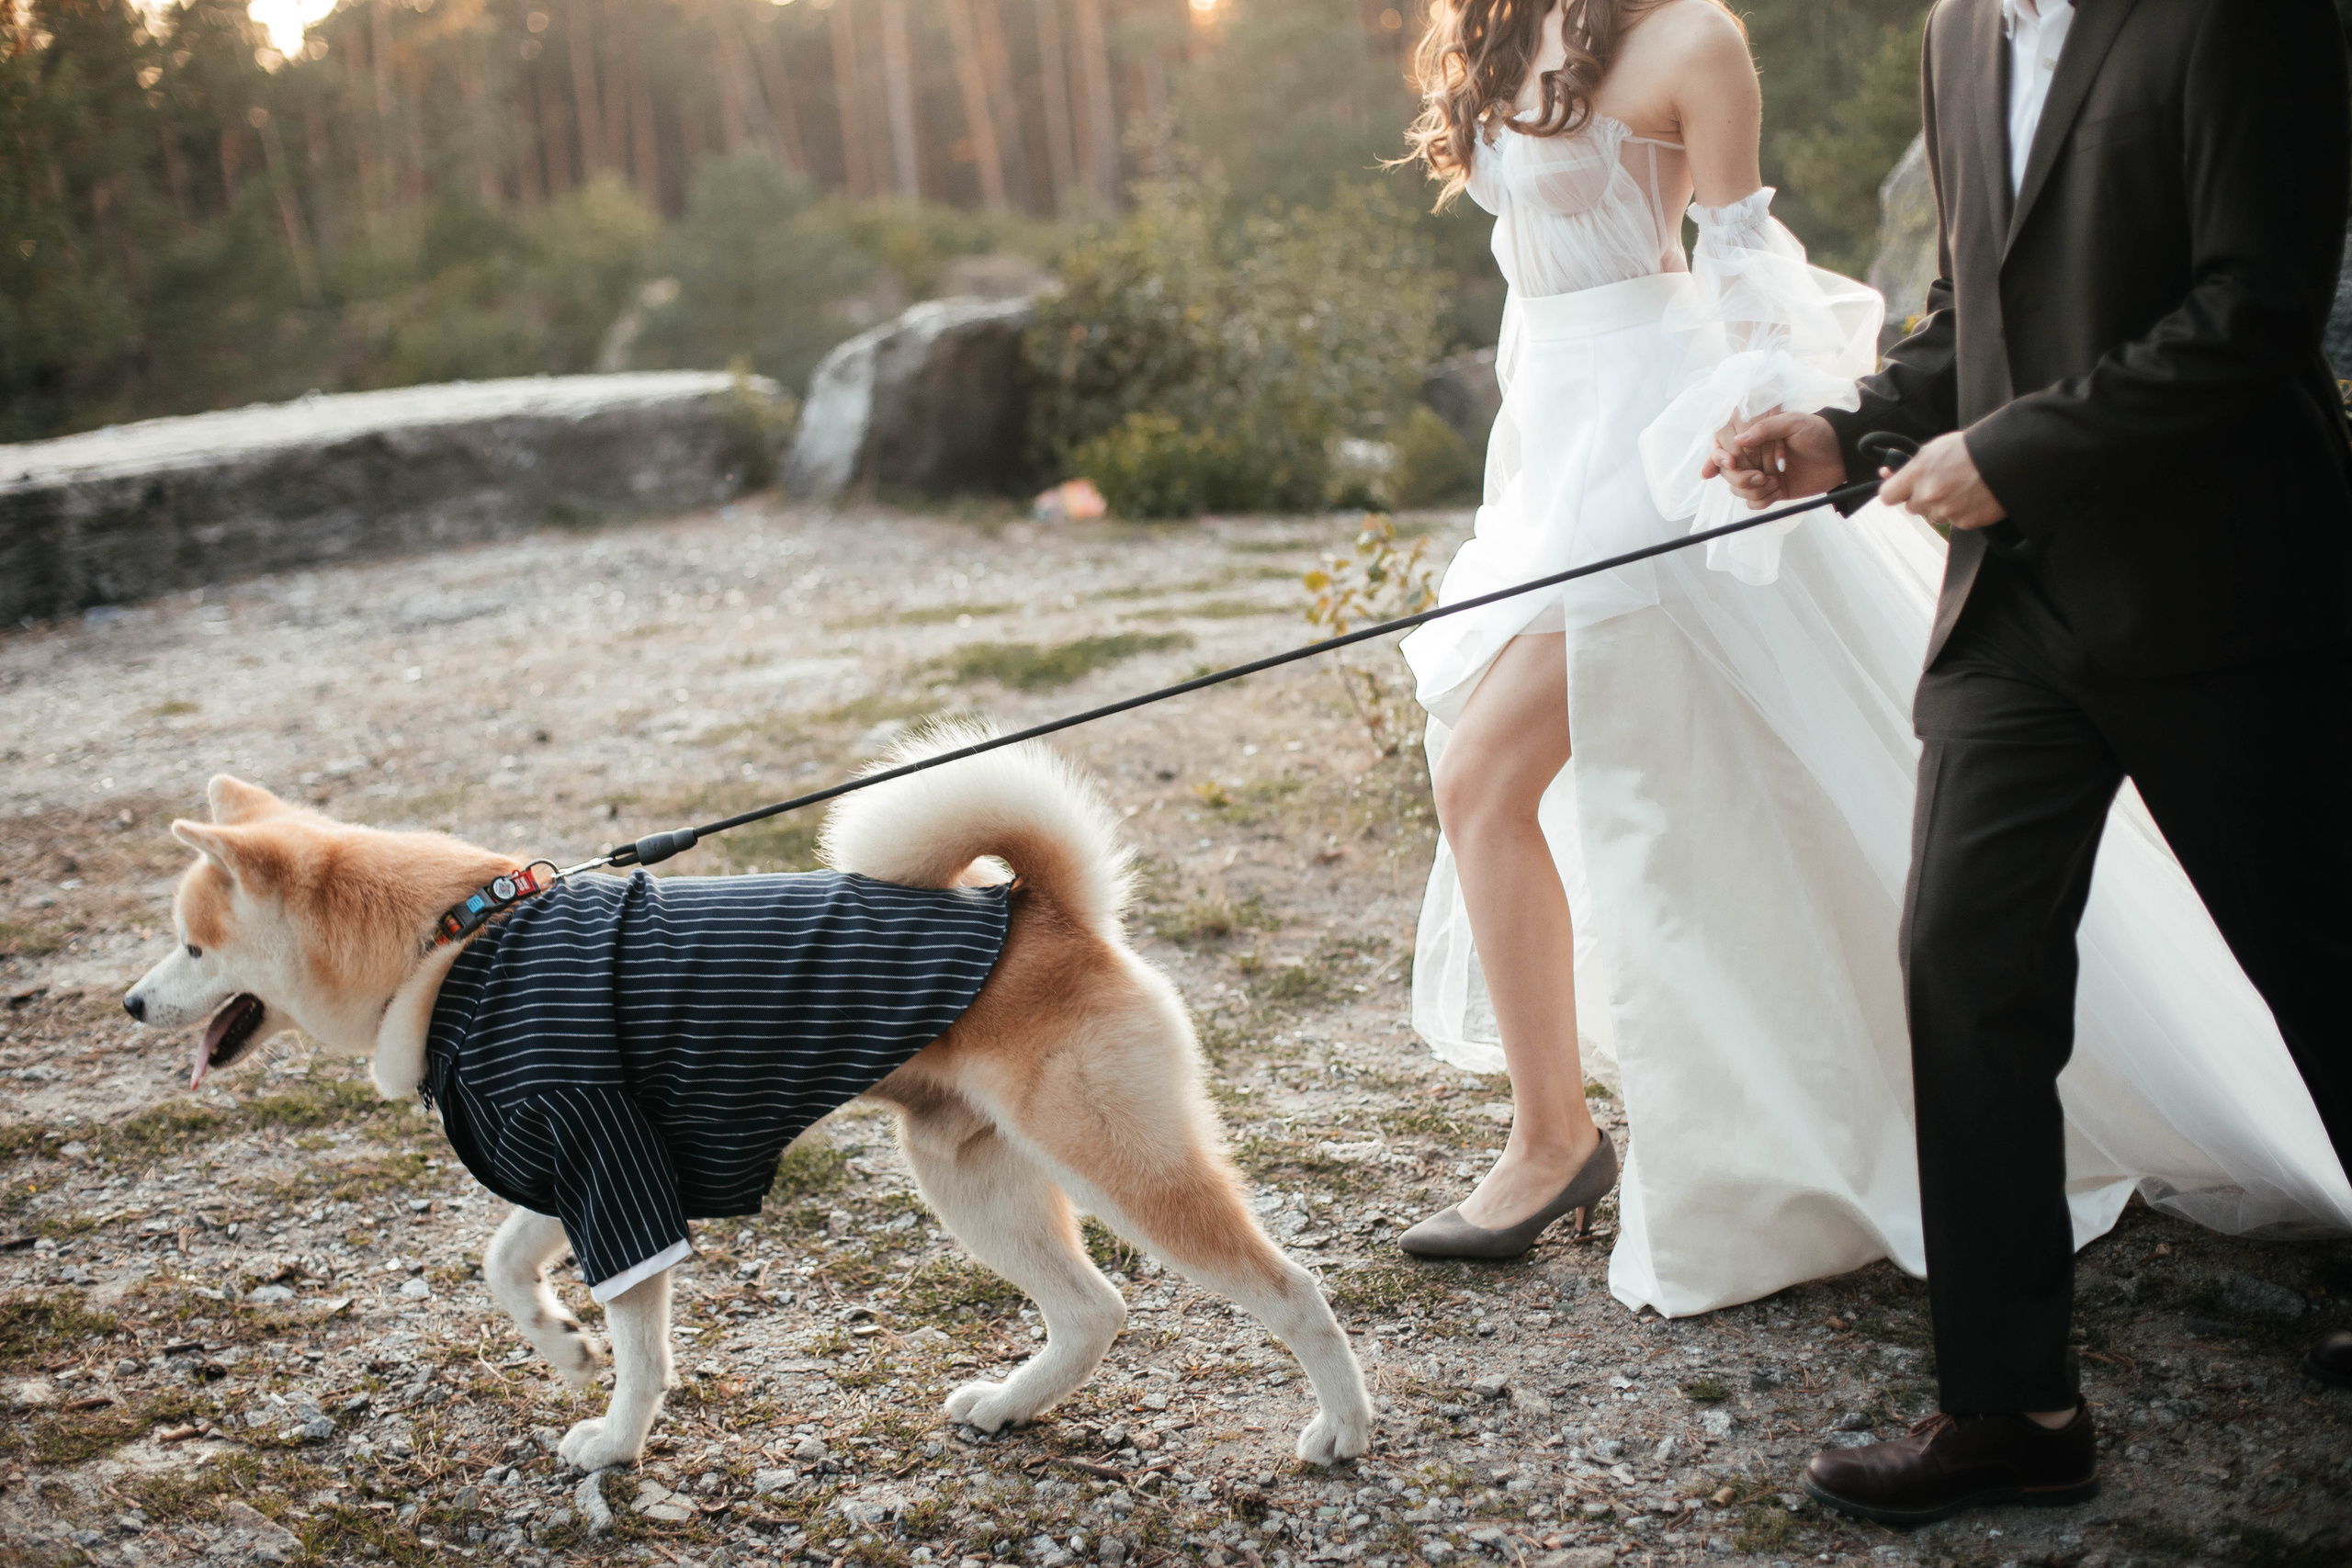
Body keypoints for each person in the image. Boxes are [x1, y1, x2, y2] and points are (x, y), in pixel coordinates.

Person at [1391, 0, 2350, 1373]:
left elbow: (1744, 265)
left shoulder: (1693, 41)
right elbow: (1970, 295)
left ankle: (1566, 1140)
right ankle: (1568, 1143)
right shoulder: (1511, 30)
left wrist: (1794, 414)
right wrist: (1852, 432)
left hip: (1656, 452)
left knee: (2306, 922)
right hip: (1553, 437)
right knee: (1837, 871)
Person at [1713, 0, 2352, 1525]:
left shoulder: (2243, 21)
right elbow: (1978, 311)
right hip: (2013, 617)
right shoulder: (1960, 32)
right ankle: (2014, 1410)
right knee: (1963, 966)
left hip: (2229, 596)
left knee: (2324, 956)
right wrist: (1856, 428)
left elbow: (2252, 312)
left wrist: (2012, 459)